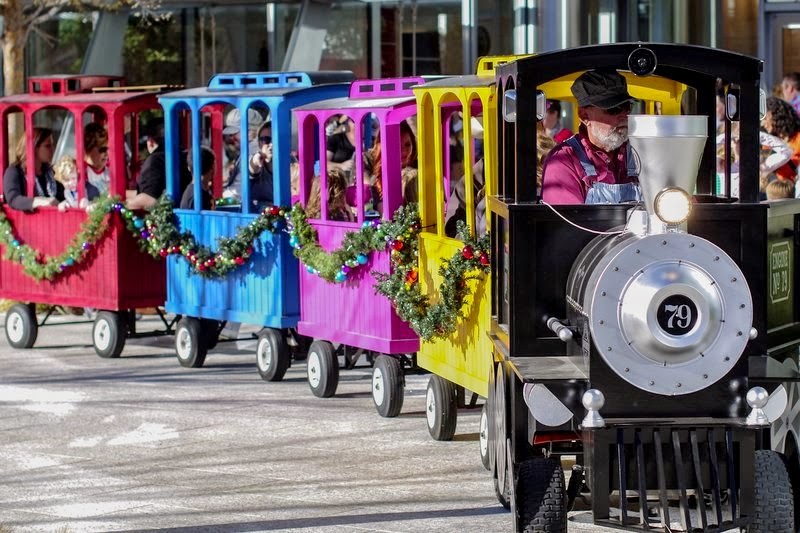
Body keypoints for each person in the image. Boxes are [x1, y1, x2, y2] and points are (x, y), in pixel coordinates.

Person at [541, 69, 639, 204]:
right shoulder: (563, 161)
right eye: (613, 109)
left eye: (627, 107)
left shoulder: (641, 153)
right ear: (584, 116)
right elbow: (568, 217)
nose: (624, 116)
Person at [128, 117, 191, 210]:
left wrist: (120, 205)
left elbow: (150, 199)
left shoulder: (155, 161)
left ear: (151, 142)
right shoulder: (185, 156)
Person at [3, 127, 63, 211]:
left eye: (52, 145)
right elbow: (13, 199)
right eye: (48, 146)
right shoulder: (14, 172)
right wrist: (38, 201)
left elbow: (62, 196)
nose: (52, 149)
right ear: (34, 148)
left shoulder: (49, 173)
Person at [222, 107, 265, 201]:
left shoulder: (251, 151)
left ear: (249, 131)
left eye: (234, 133)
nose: (231, 137)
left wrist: (218, 198)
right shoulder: (250, 149)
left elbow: (238, 192)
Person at [762, 96, 800, 183]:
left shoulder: (798, 139)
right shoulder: (769, 143)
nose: (763, 124)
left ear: (776, 115)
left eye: (765, 118)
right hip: (774, 189)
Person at [245, 120, 275, 207]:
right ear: (259, 143)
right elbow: (253, 166)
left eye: (275, 139)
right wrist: (255, 160)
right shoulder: (257, 159)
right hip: (258, 211)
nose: (271, 144)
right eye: (266, 140)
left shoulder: (290, 161)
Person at [83, 122, 110, 200]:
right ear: (88, 148)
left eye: (108, 149)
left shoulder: (109, 170)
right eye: (102, 149)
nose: (106, 153)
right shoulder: (83, 172)